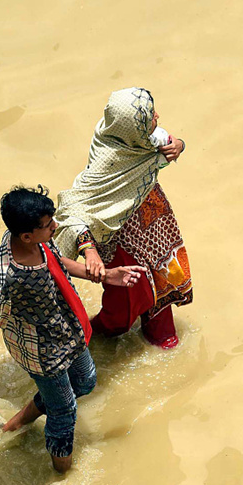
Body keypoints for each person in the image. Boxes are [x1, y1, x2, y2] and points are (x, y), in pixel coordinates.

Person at [0, 186, 145, 473]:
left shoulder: (36, 240)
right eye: (48, 226)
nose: (55, 227)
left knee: (85, 381)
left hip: (65, 328)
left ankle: (22, 419)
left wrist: (106, 275)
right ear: (26, 236)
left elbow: (59, 262)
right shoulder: (8, 277)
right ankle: (62, 473)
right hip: (41, 352)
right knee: (65, 411)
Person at [53, 87, 192, 350]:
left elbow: (172, 143)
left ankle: (161, 336)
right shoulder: (107, 160)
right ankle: (92, 337)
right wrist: (90, 250)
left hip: (154, 224)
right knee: (126, 299)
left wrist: (180, 145)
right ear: (133, 128)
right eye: (151, 115)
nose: (158, 117)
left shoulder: (145, 139)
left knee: (161, 278)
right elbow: (76, 209)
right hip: (118, 236)